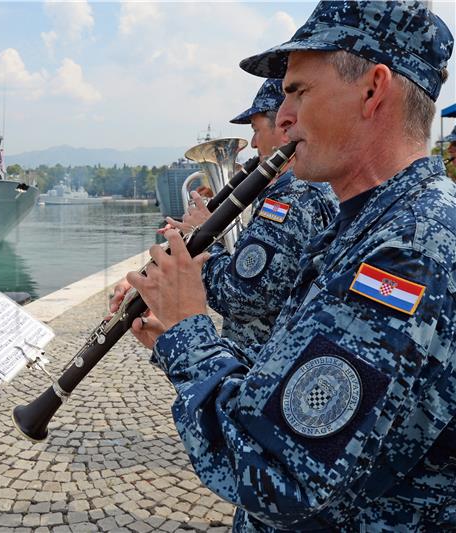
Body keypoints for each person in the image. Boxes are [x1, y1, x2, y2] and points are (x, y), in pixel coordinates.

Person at [128, 1, 455, 530]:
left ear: (373, 89)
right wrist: (170, 335)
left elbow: (279, 470)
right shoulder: (371, 222)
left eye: (298, 91)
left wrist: (189, 329)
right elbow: (282, 384)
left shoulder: (408, 250)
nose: (282, 118)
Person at [112, 78, 339, 349]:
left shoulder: (292, 198)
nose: (253, 143)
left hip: (264, 360)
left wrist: (202, 241)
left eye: (256, 130)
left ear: (284, 128)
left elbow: (240, 296)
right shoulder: (294, 191)